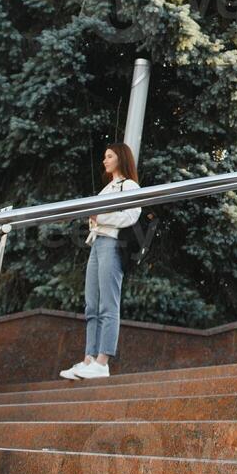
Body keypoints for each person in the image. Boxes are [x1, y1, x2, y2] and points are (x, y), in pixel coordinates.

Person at [60, 142, 142, 379]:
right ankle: (89, 359)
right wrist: (96, 218)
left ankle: (103, 361)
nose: (104, 160)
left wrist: (100, 217)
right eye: (104, 156)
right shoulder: (107, 188)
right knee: (92, 305)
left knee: (108, 303)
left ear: (121, 158)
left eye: (109, 156)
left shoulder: (130, 185)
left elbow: (130, 215)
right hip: (97, 244)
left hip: (112, 244)